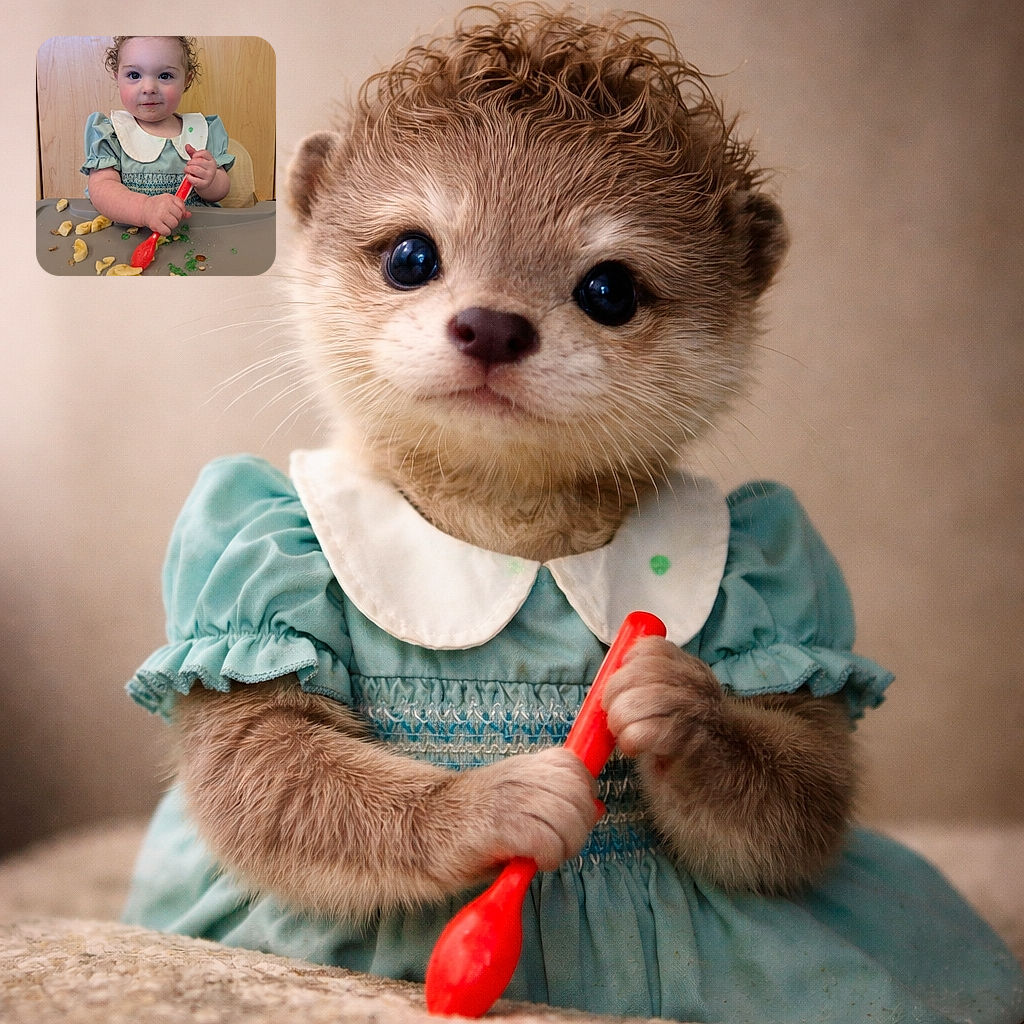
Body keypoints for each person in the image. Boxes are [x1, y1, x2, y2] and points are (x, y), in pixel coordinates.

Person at [81, 36, 234, 236]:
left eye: (165, 76)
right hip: (128, 237)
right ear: (116, 76)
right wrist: (144, 209)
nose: (149, 88)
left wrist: (210, 180)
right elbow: (101, 190)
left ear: (186, 80)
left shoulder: (203, 131)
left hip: (195, 238)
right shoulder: (110, 134)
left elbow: (220, 191)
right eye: (134, 75)